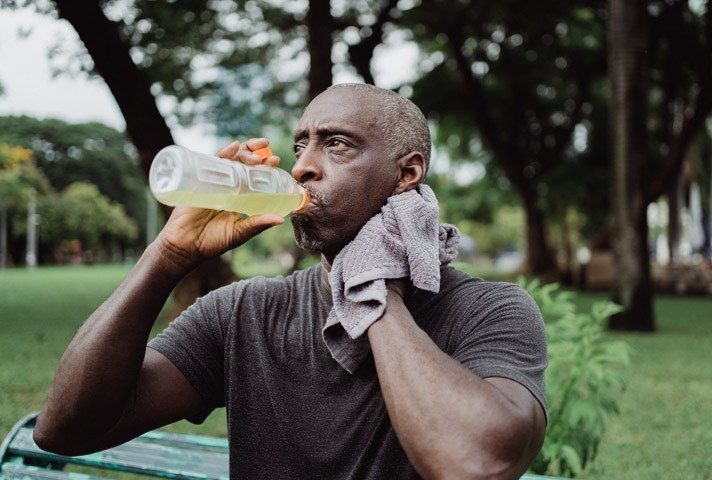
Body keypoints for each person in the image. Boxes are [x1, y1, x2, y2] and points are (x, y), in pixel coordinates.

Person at [33, 84, 548, 479]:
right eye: (301, 145)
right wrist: (166, 257)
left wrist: (373, 288)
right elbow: (64, 430)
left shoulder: (490, 311)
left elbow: (476, 462)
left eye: (337, 145)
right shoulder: (242, 313)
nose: (303, 166)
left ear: (406, 174)